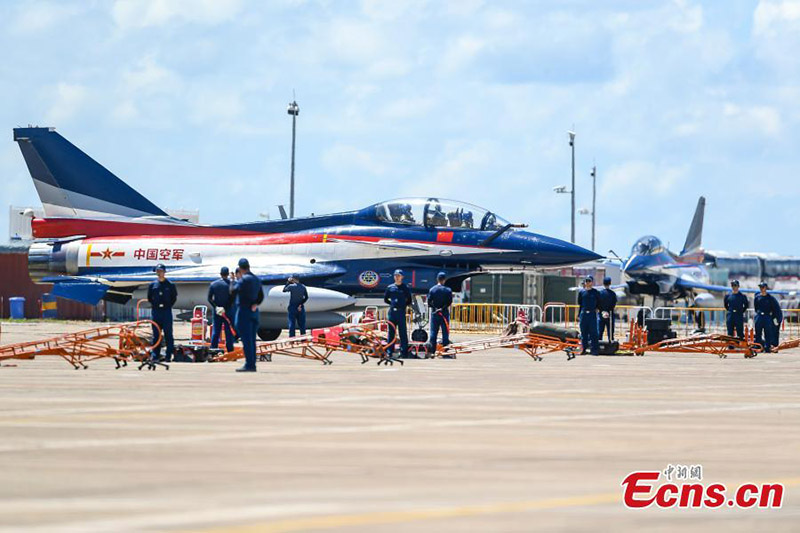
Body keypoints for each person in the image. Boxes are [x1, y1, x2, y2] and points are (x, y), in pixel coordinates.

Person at [231, 258, 264, 372]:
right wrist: (256, 304)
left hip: (244, 310)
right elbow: (261, 296)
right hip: (254, 311)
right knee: (252, 339)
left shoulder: (244, 280)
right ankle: (252, 363)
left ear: (240, 268)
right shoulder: (256, 279)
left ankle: (249, 364)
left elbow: (233, 291)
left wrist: (232, 281)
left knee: (245, 339)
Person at [147, 263, 177, 362]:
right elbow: (149, 298)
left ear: (164, 272)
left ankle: (168, 356)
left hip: (166, 311)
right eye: (158, 271)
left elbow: (174, 298)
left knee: (168, 334)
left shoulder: (170, 285)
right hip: (156, 312)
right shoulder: (152, 285)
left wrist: (167, 306)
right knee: (156, 335)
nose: (160, 273)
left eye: (161, 271)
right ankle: (155, 356)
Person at [384, 269, 412, 359]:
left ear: (402, 277)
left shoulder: (405, 288)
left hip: (401, 312)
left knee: (402, 333)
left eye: (399, 275)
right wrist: (392, 304)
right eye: (395, 275)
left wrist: (402, 306)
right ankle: (389, 352)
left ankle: (404, 352)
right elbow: (386, 299)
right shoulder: (390, 287)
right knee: (391, 333)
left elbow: (409, 300)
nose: (397, 277)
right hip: (392, 313)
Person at [207, 266, 235, 352]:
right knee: (228, 332)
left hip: (217, 312)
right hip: (228, 311)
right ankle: (230, 350)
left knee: (216, 331)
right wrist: (225, 308)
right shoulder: (230, 284)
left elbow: (209, 298)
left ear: (220, 274)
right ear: (227, 274)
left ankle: (213, 349)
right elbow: (232, 298)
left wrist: (216, 307)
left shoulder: (214, 284)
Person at [426, 272, 453, 355]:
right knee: (445, 333)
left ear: (437, 279)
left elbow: (429, 302)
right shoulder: (448, 290)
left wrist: (436, 308)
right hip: (444, 313)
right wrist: (442, 308)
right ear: (444, 280)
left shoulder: (432, 289)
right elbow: (449, 302)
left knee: (433, 333)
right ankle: (445, 351)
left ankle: (432, 351)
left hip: (435, 314)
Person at [754, 281, 782, 353]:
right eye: (760, 287)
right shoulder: (757, 298)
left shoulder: (770, 298)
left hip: (767, 316)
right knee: (758, 332)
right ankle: (758, 346)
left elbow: (775, 308)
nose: (761, 289)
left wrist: (776, 318)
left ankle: (767, 347)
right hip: (759, 316)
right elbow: (756, 308)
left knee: (767, 332)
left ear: (765, 288)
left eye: (763, 287)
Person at [577, 275, 600, 355]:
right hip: (584, 313)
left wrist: (597, 310)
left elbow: (599, 303)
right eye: (586, 281)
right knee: (584, 332)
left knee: (593, 332)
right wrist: (579, 315)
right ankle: (584, 349)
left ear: (592, 282)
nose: (587, 282)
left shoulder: (595, 292)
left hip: (592, 314)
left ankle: (594, 349)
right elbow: (580, 303)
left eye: (589, 281)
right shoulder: (581, 292)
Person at [597, 276, 618, 341]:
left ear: (603, 283)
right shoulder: (612, 294)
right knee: (610, 332)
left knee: (600, 331)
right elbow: (614, 304)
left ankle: (599, 346)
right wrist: (608, 310)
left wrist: (602, 310)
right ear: (610, 283)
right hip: (610, 314)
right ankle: (610, 346)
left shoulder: (600, 293)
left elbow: (597, 303)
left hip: (601, 313)